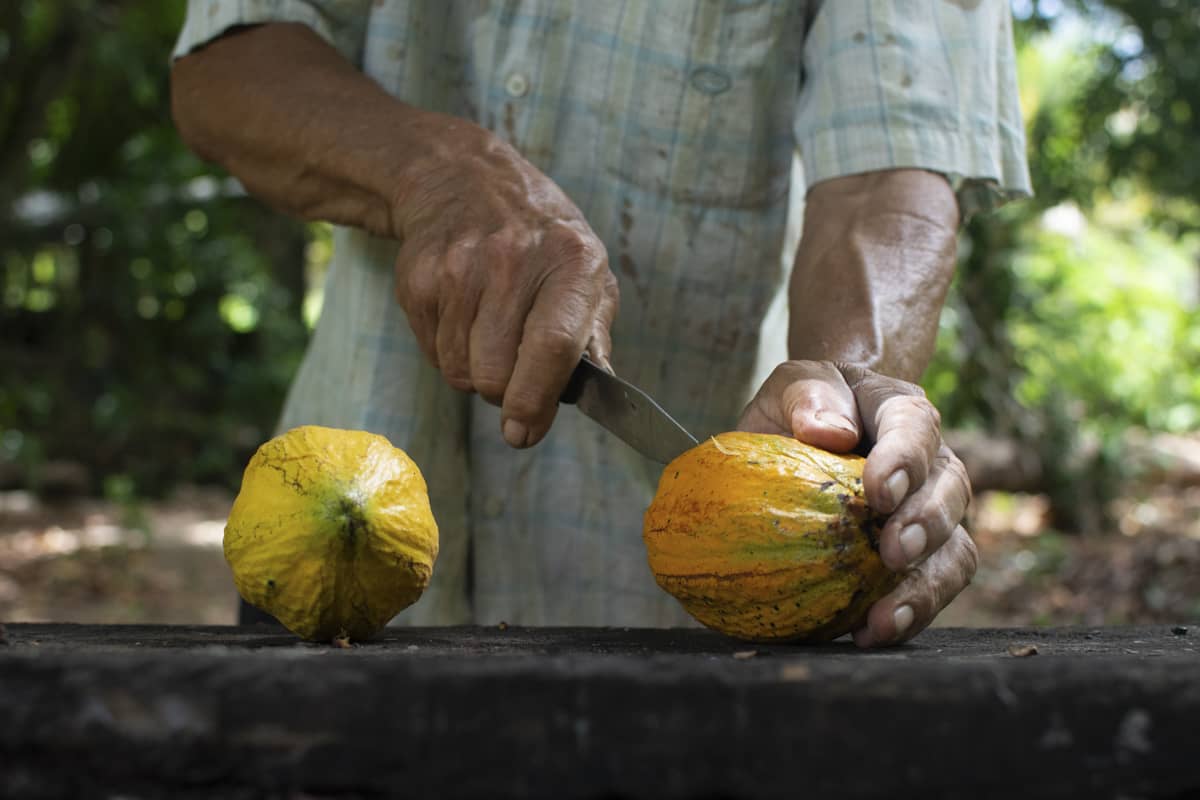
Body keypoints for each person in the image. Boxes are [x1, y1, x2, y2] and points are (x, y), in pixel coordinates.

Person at [170, 1, 1030, 646]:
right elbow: (229, 57)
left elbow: (891, 153)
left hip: (703, 598)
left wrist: (851, 387)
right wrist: (437, 173)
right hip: (325, 549)